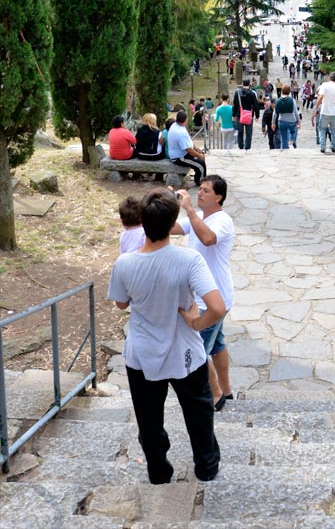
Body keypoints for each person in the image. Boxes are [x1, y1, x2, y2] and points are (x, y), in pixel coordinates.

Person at [107, 188, 224, 484]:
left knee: (148, 420)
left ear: (141, 221)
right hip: (185, 351)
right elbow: (217, 308)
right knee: (198, 413)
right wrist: (196, 323)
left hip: (142, 354)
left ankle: (158, 472)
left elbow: (120, 303)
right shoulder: (189, 260)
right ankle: (206, 467)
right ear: (173, 222)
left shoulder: (125, 263)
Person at [171, 176, 234, 412]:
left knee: (197, 350)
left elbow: (208, 239)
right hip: (207, 297)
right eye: (201, 189)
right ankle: (226, 392)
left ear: (218, 197)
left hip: (213, 300)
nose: (200, 193)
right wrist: (166, 204)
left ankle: (215, 398)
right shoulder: (200, 217)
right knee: (216, 345)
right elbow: (171, 228)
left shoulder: (222, 220)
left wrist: (189, 210)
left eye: (206, 191)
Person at [168, 110, 206, 185]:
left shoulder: (176, 125)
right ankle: (200, 182)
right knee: (200, 164)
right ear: (186, 120)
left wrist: (195, 148)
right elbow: (188, 150)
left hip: (182, 153)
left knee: (199, 156)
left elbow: (188, 140)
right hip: (179, 157)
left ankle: (199, 177)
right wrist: (199, 156)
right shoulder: (180, 132)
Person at [314, 72, 335, 154]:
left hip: (325, 110)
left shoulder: (324, 85)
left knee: (322, 129)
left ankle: (323, 147)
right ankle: (333, 146)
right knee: (333, 129)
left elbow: (320, 97)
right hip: (334, 112)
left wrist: (316, 107)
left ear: (329, 78)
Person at [232, 78, 260, 150]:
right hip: (249, 115)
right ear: (249, 84)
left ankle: (240, 145)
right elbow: (256, 105)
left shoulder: (237, 93)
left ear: (242, 84)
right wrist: (257, 115)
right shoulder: (252, 93)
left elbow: (235, 104)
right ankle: (247, 146)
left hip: (239, 114)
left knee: (240, 131)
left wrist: (233, 114)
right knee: (248, 132)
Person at [274, 84, 302, 150]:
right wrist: (299, 121)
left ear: (281, 91)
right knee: (293, 132)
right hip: (291, 120)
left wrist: (273, 122)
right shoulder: (292, 100)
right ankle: (291, 141)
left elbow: (275, 113)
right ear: (289, 92)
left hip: (281, 120)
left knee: (283, 137)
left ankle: (285, 149)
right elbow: (296, 112)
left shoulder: (278, 101)